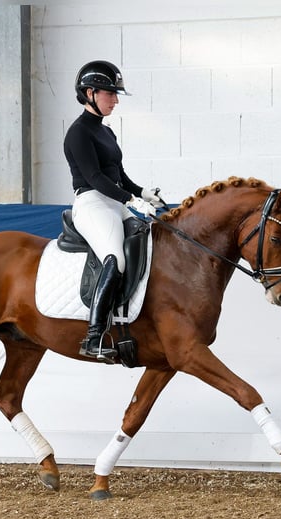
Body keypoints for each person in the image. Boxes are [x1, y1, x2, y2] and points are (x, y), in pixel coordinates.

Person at [64, 60, 165, 363]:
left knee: (149, 240)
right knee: (115, 258)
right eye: (110, 94)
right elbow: (95, 178)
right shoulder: (78, 133)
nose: (116, 100)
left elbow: (120, 176)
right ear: (90, 92)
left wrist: (143, 193)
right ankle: (94, 336)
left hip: (114, 201)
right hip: (92, 203)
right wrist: (131, 201)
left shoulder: (107, 133)